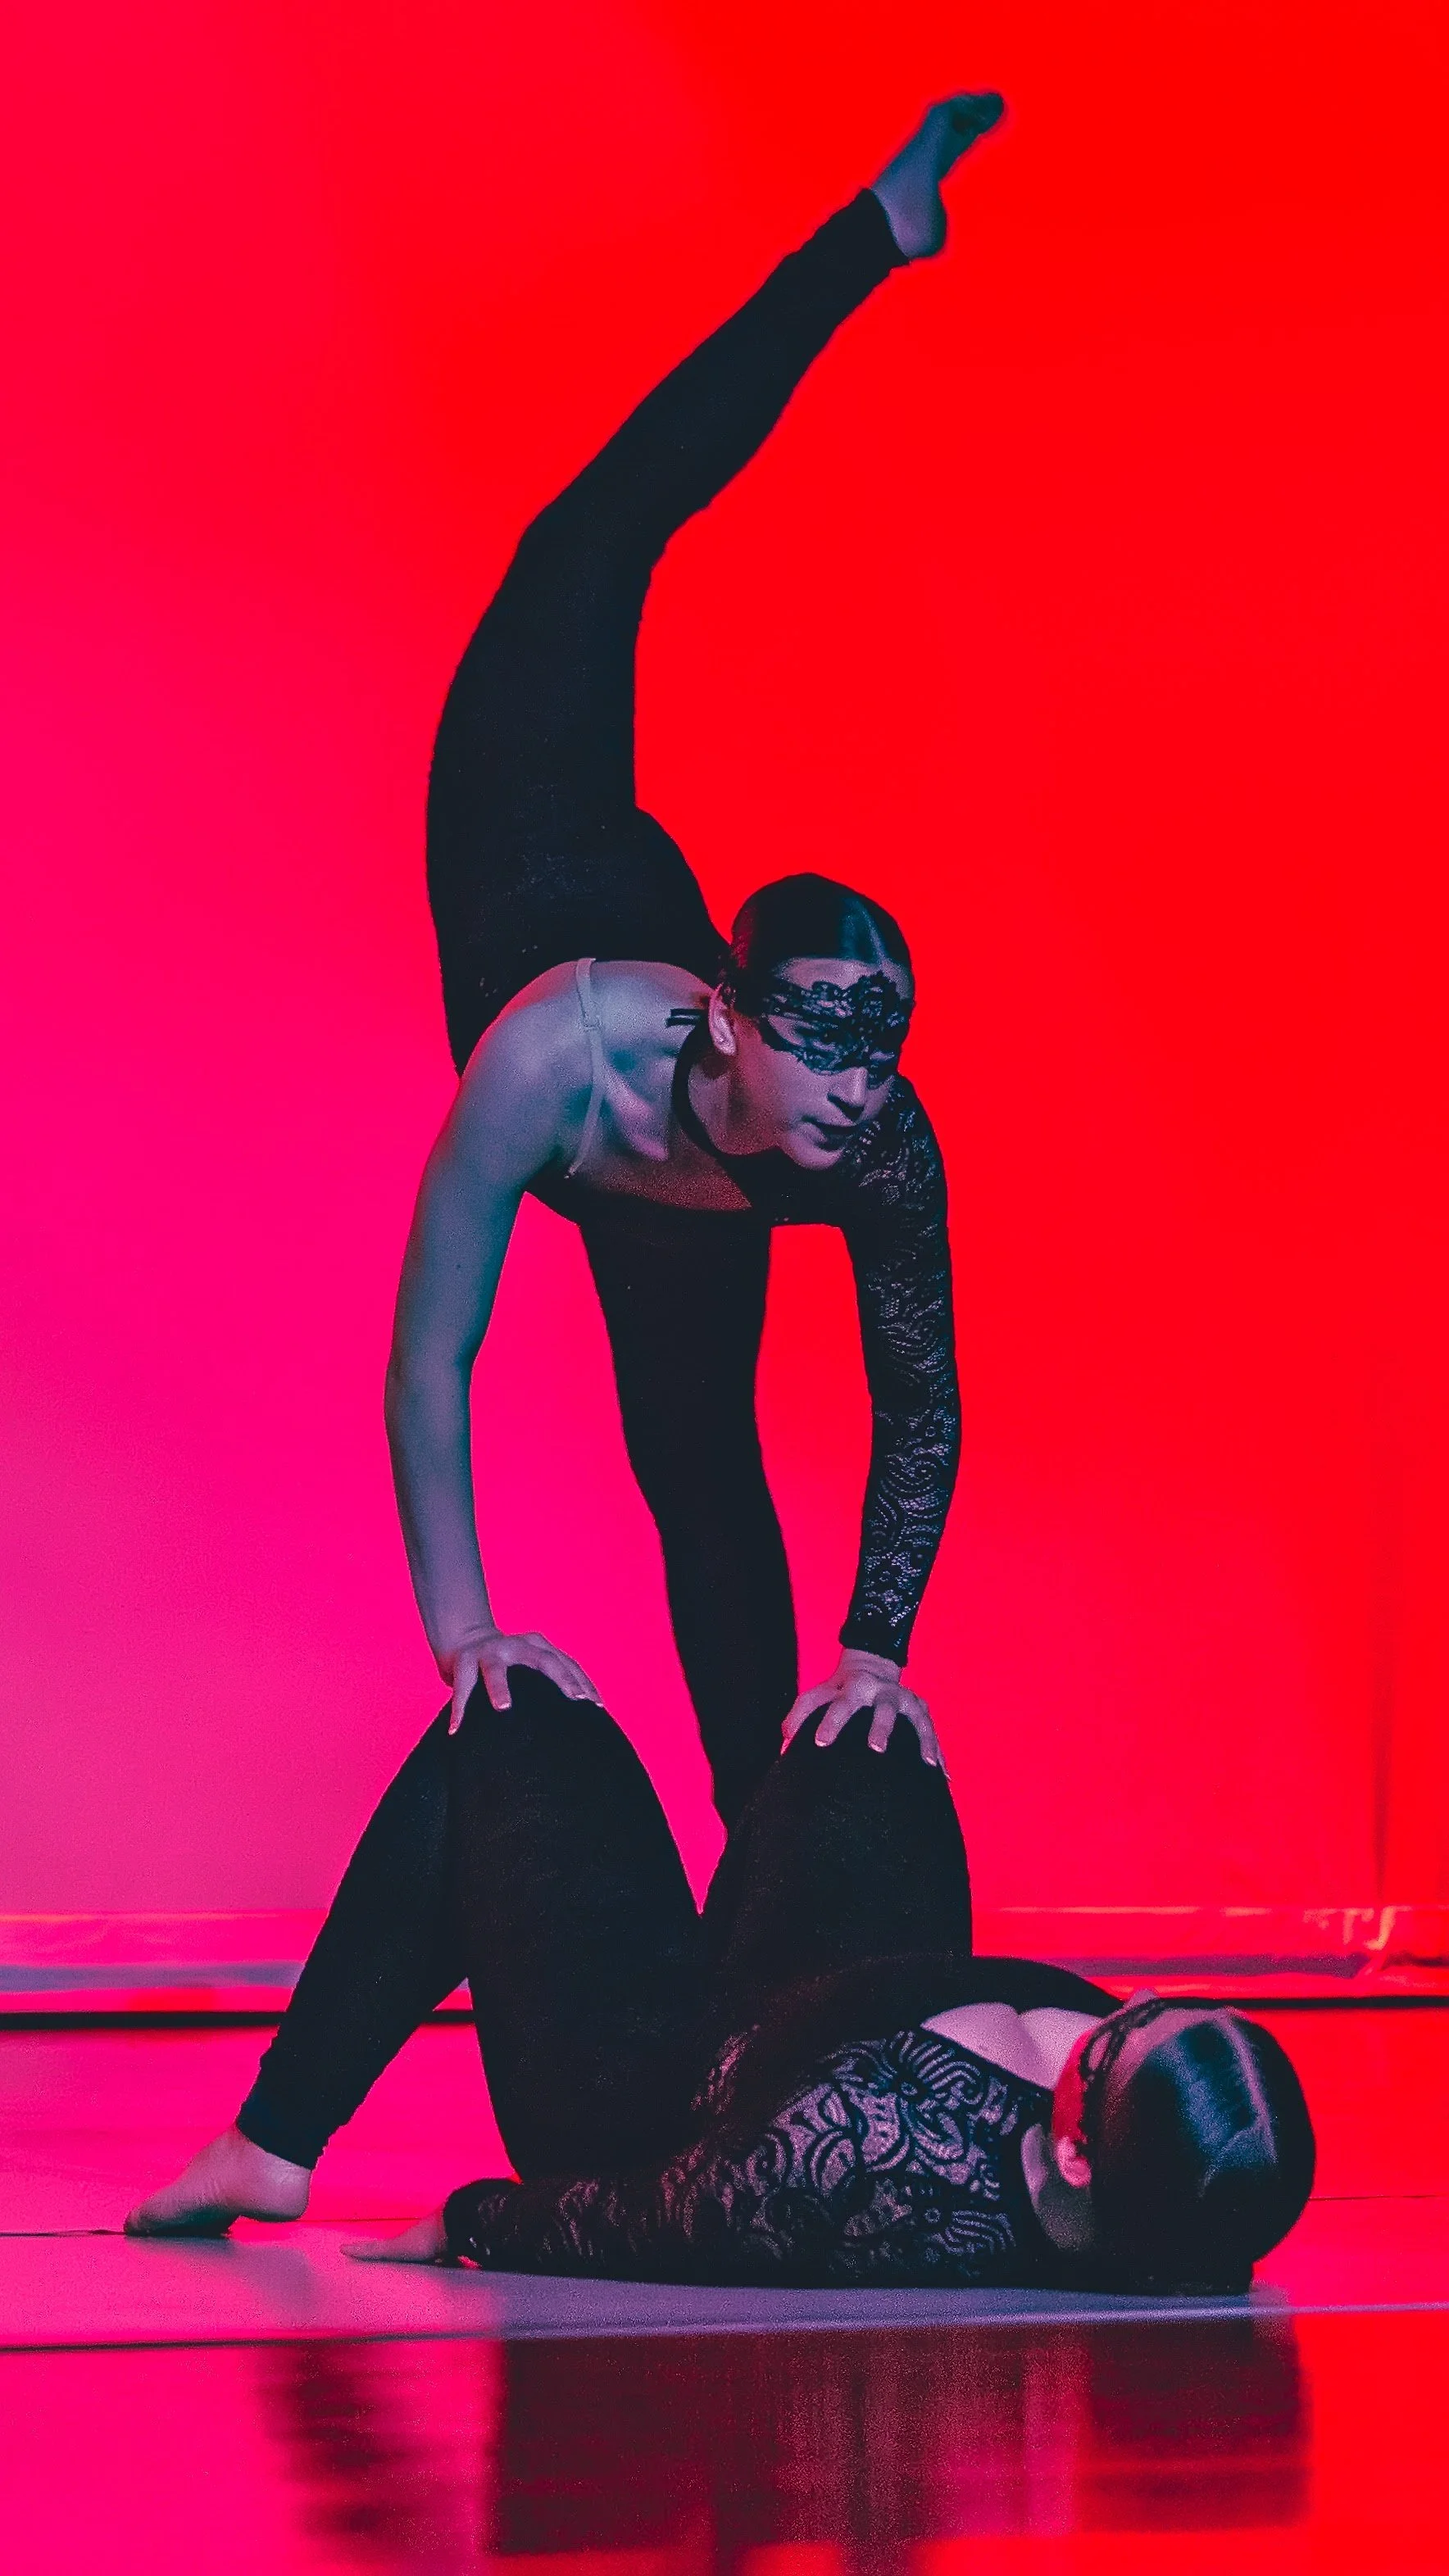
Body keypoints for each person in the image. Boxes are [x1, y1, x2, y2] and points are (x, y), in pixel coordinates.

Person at [388, 95, 1009, 1827]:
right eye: (824, 1050)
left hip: (674, 1004)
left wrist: (874, 1649)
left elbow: (918, 1398)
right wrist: (467, 1636)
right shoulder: (543, 1066)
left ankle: (767, 1849)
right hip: (533, 828)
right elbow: (431, 1358)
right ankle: (873, 233)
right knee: (589, 538)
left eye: (880, 1056)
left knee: (694, 1455)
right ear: (731, 1028)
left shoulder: (868, 1140)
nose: (859, 1096)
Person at [127, 1677, 1315, 2292]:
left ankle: (272, 2140)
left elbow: (654, 2219)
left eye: (1110, 2042)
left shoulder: (860, 2156)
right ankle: (786, 1785)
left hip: (660, 2087)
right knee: (872, 1741)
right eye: (1156, 2011)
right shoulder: (1192, 2182)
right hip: (819, 2006)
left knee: (505, 1722)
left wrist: (466, 2220)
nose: (1114, 2016)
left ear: (1077, 2158)